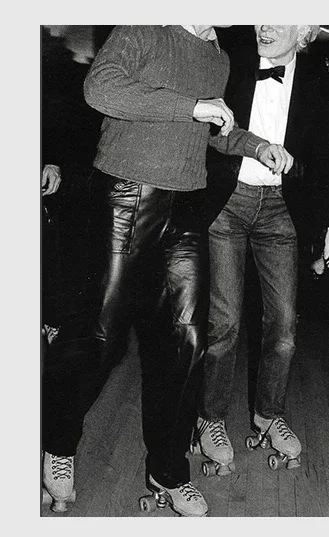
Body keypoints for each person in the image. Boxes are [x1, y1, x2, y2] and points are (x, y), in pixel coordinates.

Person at [41, 25, 289, 517]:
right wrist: (192, 107)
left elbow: (212, 132)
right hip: (126, 196)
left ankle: (169, 469)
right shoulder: (145, 26)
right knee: (101, 336)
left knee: (187, 339)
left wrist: (255, 145)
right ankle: (57, 441)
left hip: (187, 209)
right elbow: (100, 87)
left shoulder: (218, 56)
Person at [197, 25, 329, 474]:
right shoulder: (229, 63)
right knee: (224, 321)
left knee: (283, 325)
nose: (265, 26)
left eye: (278, 19)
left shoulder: (319, 83)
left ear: (302, 33)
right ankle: (210, 418)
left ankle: (269, 413)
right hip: (227, 202)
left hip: (282, 209)